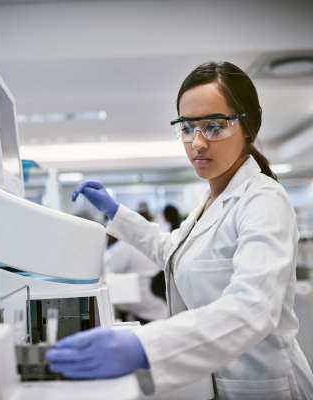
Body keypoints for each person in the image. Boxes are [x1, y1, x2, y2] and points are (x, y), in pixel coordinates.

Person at [46, 61, 313, 399]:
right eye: (187, 128)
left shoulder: (263, 201)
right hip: (214, 381)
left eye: (214, 126)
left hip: (262, 385)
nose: (197, 143)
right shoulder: (211, 200)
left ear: (249, 127)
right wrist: (116, 212)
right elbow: (170, 249)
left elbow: (253, 308)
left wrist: (144, 347)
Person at [105, 233, 168, 324]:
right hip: (157, 306)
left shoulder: (126, 246)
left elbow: (108, 270)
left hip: (145, 306)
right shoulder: (142, 241)